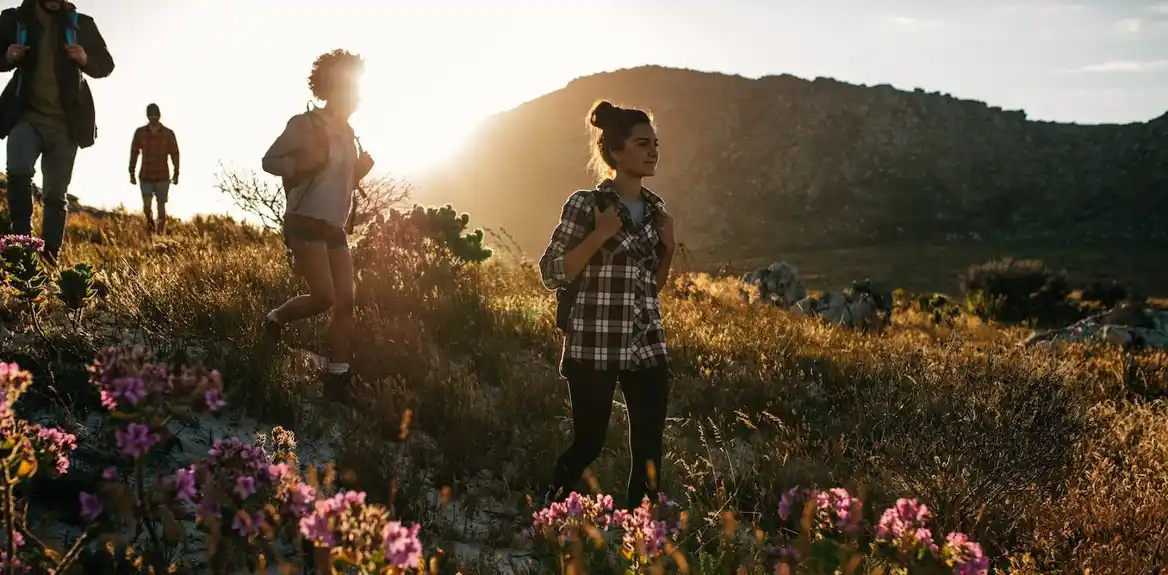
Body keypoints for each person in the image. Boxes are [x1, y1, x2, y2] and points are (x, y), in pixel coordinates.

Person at [538, 100, 676, 510]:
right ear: (616, 152)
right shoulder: (586, 205)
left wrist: (667, 248)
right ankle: (549, 511)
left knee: (650, 449)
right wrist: (599, 236)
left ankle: (641, 536)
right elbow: (551, 272)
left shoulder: (656, 212)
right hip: (593, 344)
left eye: (655, 143)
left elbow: (652, 288)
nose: (652, 151)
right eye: (641, 143)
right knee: (590, 443)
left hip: (646, 343)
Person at [259, 49, 374, 404]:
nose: (358, 96)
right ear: (332, 87)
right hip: (304, 220)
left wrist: (360, 171)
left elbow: (339, 180)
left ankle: (337, 377)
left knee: (346, 301)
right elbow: (270, 161)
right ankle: (275, 319)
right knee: (324, 296)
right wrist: (301, 162)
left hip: (334, 226)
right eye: (352, 88)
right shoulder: (304, 125)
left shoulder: (350, 132)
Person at [0, 0, 114, 265]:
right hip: (25, 117)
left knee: (54, 195)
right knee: (17, 173)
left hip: (65, 125)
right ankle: (21, 251)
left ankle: (50, 258)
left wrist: (84, 58)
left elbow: (106, 65)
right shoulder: (14, 19)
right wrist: (7, 56)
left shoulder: (82, 24)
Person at [129, 103, 179, 234]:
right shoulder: (140, 133)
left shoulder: (168, 134)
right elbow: (134, 152)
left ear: (159, 116)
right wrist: (131, 172)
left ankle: (160, 233)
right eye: (150, 116)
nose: (153, 119)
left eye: (155, 116)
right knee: (146, 207)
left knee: (161, 207)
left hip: (162, 175)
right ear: (147, 117)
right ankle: (150, 228)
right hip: (146, 174)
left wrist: (176, 172)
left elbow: (175, 153)